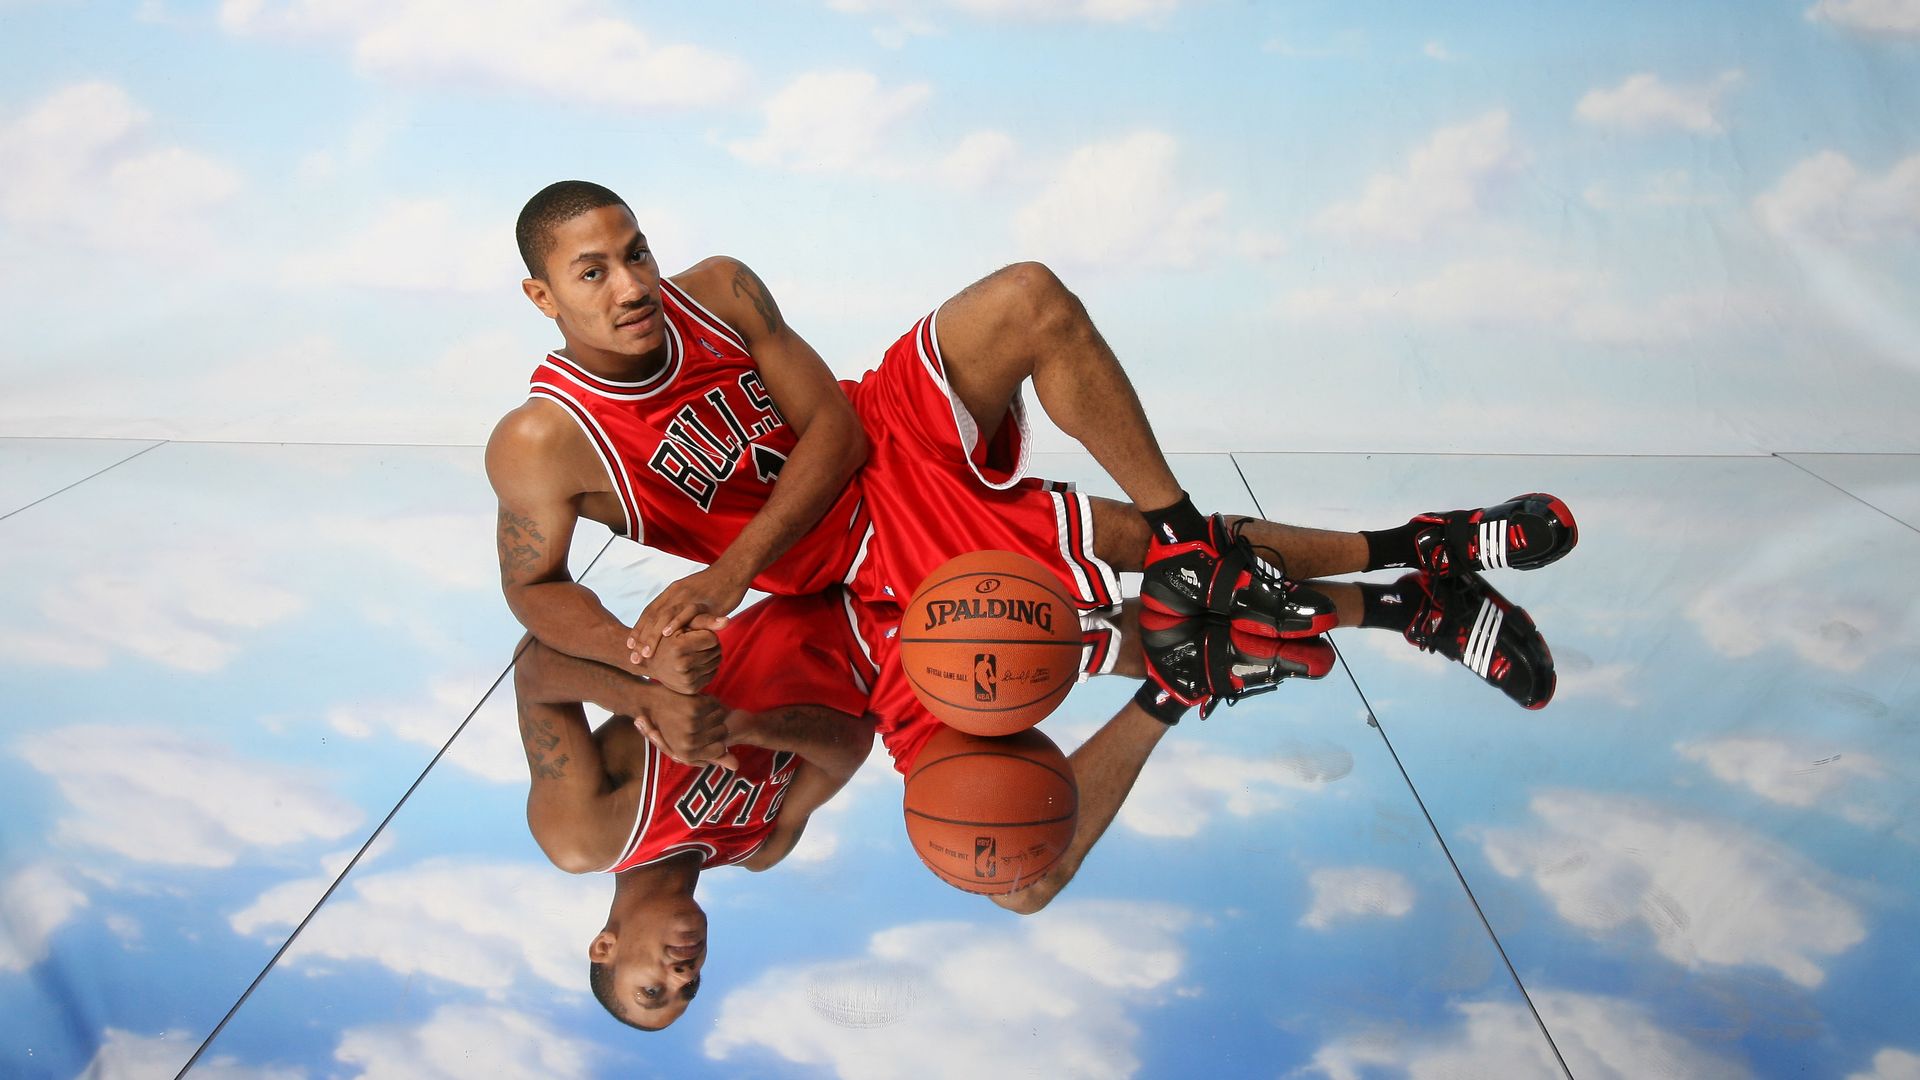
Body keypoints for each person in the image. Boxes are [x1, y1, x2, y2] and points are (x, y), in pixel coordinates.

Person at [486, 179, 1579, 719]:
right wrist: (633, 653)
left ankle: (1192, 529)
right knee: (1122, 575)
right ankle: (1412, 571)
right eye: (593, 272)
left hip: (877, 438)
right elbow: (532, 588)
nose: (632, 285)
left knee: (1030, 298)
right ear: (542, 295)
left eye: (635, 252)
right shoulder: (541, 442)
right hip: (860, 552)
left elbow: (840, 427)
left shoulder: (718, 290)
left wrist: (724, 576)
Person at [511, 589, 874, 1031]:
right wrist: (754, 728)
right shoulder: (760, 848)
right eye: (691, 988)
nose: (683, 975)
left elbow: (533, 663)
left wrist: (649, 701)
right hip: (894, 660)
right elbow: (854, 744)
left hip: (833, 585)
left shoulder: (583, 837)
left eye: (652, 991)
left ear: (606, 947)